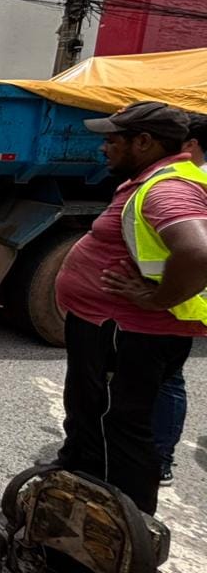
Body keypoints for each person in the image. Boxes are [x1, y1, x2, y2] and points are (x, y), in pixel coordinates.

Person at [54, 101, 207, 514]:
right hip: (122, 328)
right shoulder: (156, 179)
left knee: (115, 429)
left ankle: (116, 525)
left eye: (112, 140)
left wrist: (158, 298)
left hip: (126, 330)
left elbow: (197, 252)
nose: (104, 148)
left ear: (144, 142)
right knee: (100, 420)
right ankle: (81, 489)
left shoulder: (167, 188)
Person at [151, 111, 207, 485]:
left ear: (188, 146)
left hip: (178, 304)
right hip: (174, 301)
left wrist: (158, 299)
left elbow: (196, 252)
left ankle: (159, 459)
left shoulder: (185, 185)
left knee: (168, 381)